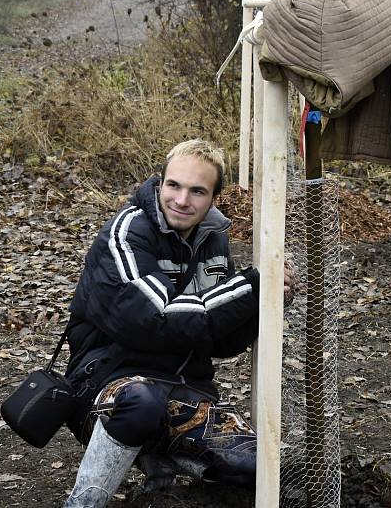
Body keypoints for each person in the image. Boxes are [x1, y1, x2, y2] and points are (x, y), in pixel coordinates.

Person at [62, 139, 291, 507]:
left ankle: (167, 473)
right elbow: (156, 317)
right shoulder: (126, 232)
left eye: (197, 191)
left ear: (214, 197)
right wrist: (249, 288)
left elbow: (221, 340)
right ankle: (84, 502)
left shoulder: (213, 241)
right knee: (141, 403)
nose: (182, 200)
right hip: (107, 387)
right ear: (160, 182)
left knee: (260, 468)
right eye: (174, 185)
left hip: (185, 393)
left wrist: (267, 302)